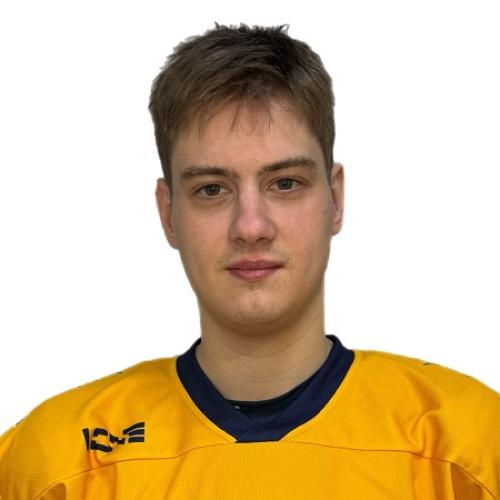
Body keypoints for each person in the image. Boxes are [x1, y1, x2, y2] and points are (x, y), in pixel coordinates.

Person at [0, 23, 498, 499]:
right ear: (168, 214)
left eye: (285, 183)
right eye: (211, 189)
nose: (251, 226)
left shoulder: (467, 445)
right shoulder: (57, 461)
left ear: (335, 199)